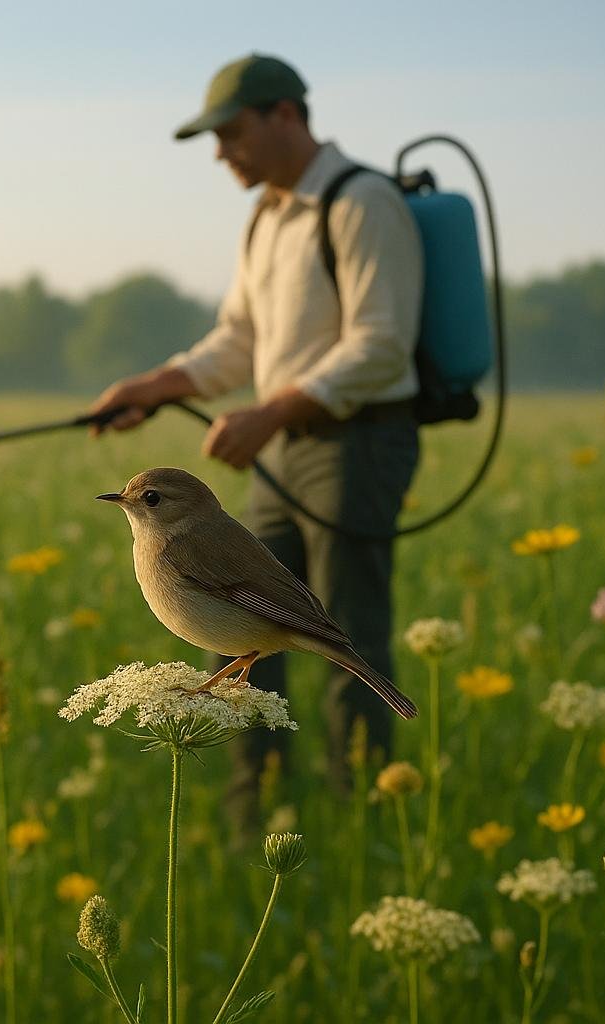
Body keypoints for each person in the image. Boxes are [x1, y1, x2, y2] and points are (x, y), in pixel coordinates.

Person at [88, 53, 424, 824]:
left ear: (286, 115)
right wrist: (161, 384)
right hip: (279, 451)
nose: (221, 152)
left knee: (345, 634)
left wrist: (272, 412)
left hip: (357, 444)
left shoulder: (362, 202)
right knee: (236, 632)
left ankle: (363, 818)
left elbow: (380, 344)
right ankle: (256, 815)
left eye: (232, 131)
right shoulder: (268, 216)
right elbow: (240, 340)